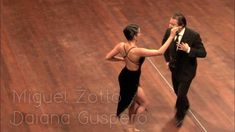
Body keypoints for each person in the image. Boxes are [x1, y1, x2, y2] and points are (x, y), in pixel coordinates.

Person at [106, 24, 179, 132]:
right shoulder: (137, 51)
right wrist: (172, 36)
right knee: (144, 103)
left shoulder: (121, 45)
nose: (140, 34)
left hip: (124, 75)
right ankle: (130, 125)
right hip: (132, 79)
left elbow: (108, 57)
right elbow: (160, 52)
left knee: (133, 102)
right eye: (139, 33)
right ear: (135, 36)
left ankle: (131, 128)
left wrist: (122, 59)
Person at [162, 12, 207, 127]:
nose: (169, 26)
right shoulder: (169, 32)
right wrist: (167, 60)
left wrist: (188, 50)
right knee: (177, 92)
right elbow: (164, 46)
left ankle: (179, 115)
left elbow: (203, 53)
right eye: (169, 23)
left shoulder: (193, 35)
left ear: (181, 26)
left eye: (172, 25)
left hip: (187, 71)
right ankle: (185, 105)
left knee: (181, 95)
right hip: (174, 69)